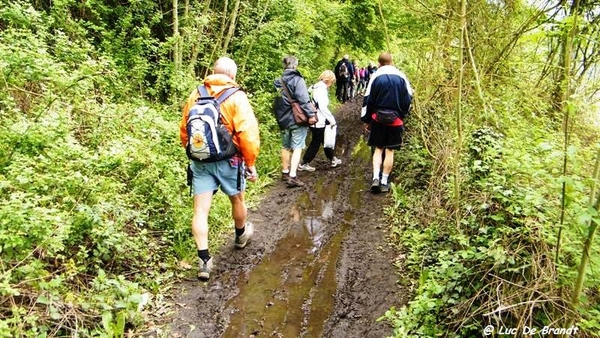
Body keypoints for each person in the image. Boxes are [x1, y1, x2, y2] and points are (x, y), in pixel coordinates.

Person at [179, 56, 260, 280]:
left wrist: (197, 152)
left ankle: (204, 261)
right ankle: (240, 236)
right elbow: (247, 133)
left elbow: (184, 131)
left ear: (213, 71)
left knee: (200, 211)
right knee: (237, 200)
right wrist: (250, 163)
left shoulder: (195, 94)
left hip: (200, 161)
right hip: (229, 161)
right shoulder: (237, 97)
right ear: (232, 76)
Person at [360, 52, 413, 194]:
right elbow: (408, 99)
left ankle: (375, 178)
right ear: (392, 61)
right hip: (395, 120)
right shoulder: (402, 77)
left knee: (378, 149)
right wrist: (402, 114)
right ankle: (384, 181)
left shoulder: (376, 77)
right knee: (390, 151)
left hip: (378, 118)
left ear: (379, 63)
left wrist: (367, 119)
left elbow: (368, 99)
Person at [273, 56, 317, 188]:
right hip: (296, 118)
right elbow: (304, 99)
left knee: (285, 146)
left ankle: (285, 172)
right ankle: (293, 176)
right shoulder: (297, 80)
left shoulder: (277, 81)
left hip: (282, 119)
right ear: (295, 66)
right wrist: (310, 115)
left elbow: (277, 101)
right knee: (298, 146)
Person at [298, 70, 342, 172]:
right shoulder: (321, 90)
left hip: (313, 117)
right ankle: (304, 162)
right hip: (318, 119)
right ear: (329, 80)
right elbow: (322, 107)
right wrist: (332, 120)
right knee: (316, 142)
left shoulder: (313, 87)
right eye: (332, 81)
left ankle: (332, 159)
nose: (332, 84)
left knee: (324, 140)